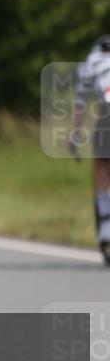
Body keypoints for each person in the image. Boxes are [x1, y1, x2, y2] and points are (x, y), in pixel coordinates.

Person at [72, 35, 110, 251]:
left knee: (102, 163)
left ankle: (106, 222)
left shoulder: (90, 62)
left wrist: (76, 135)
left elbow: (80, 103)